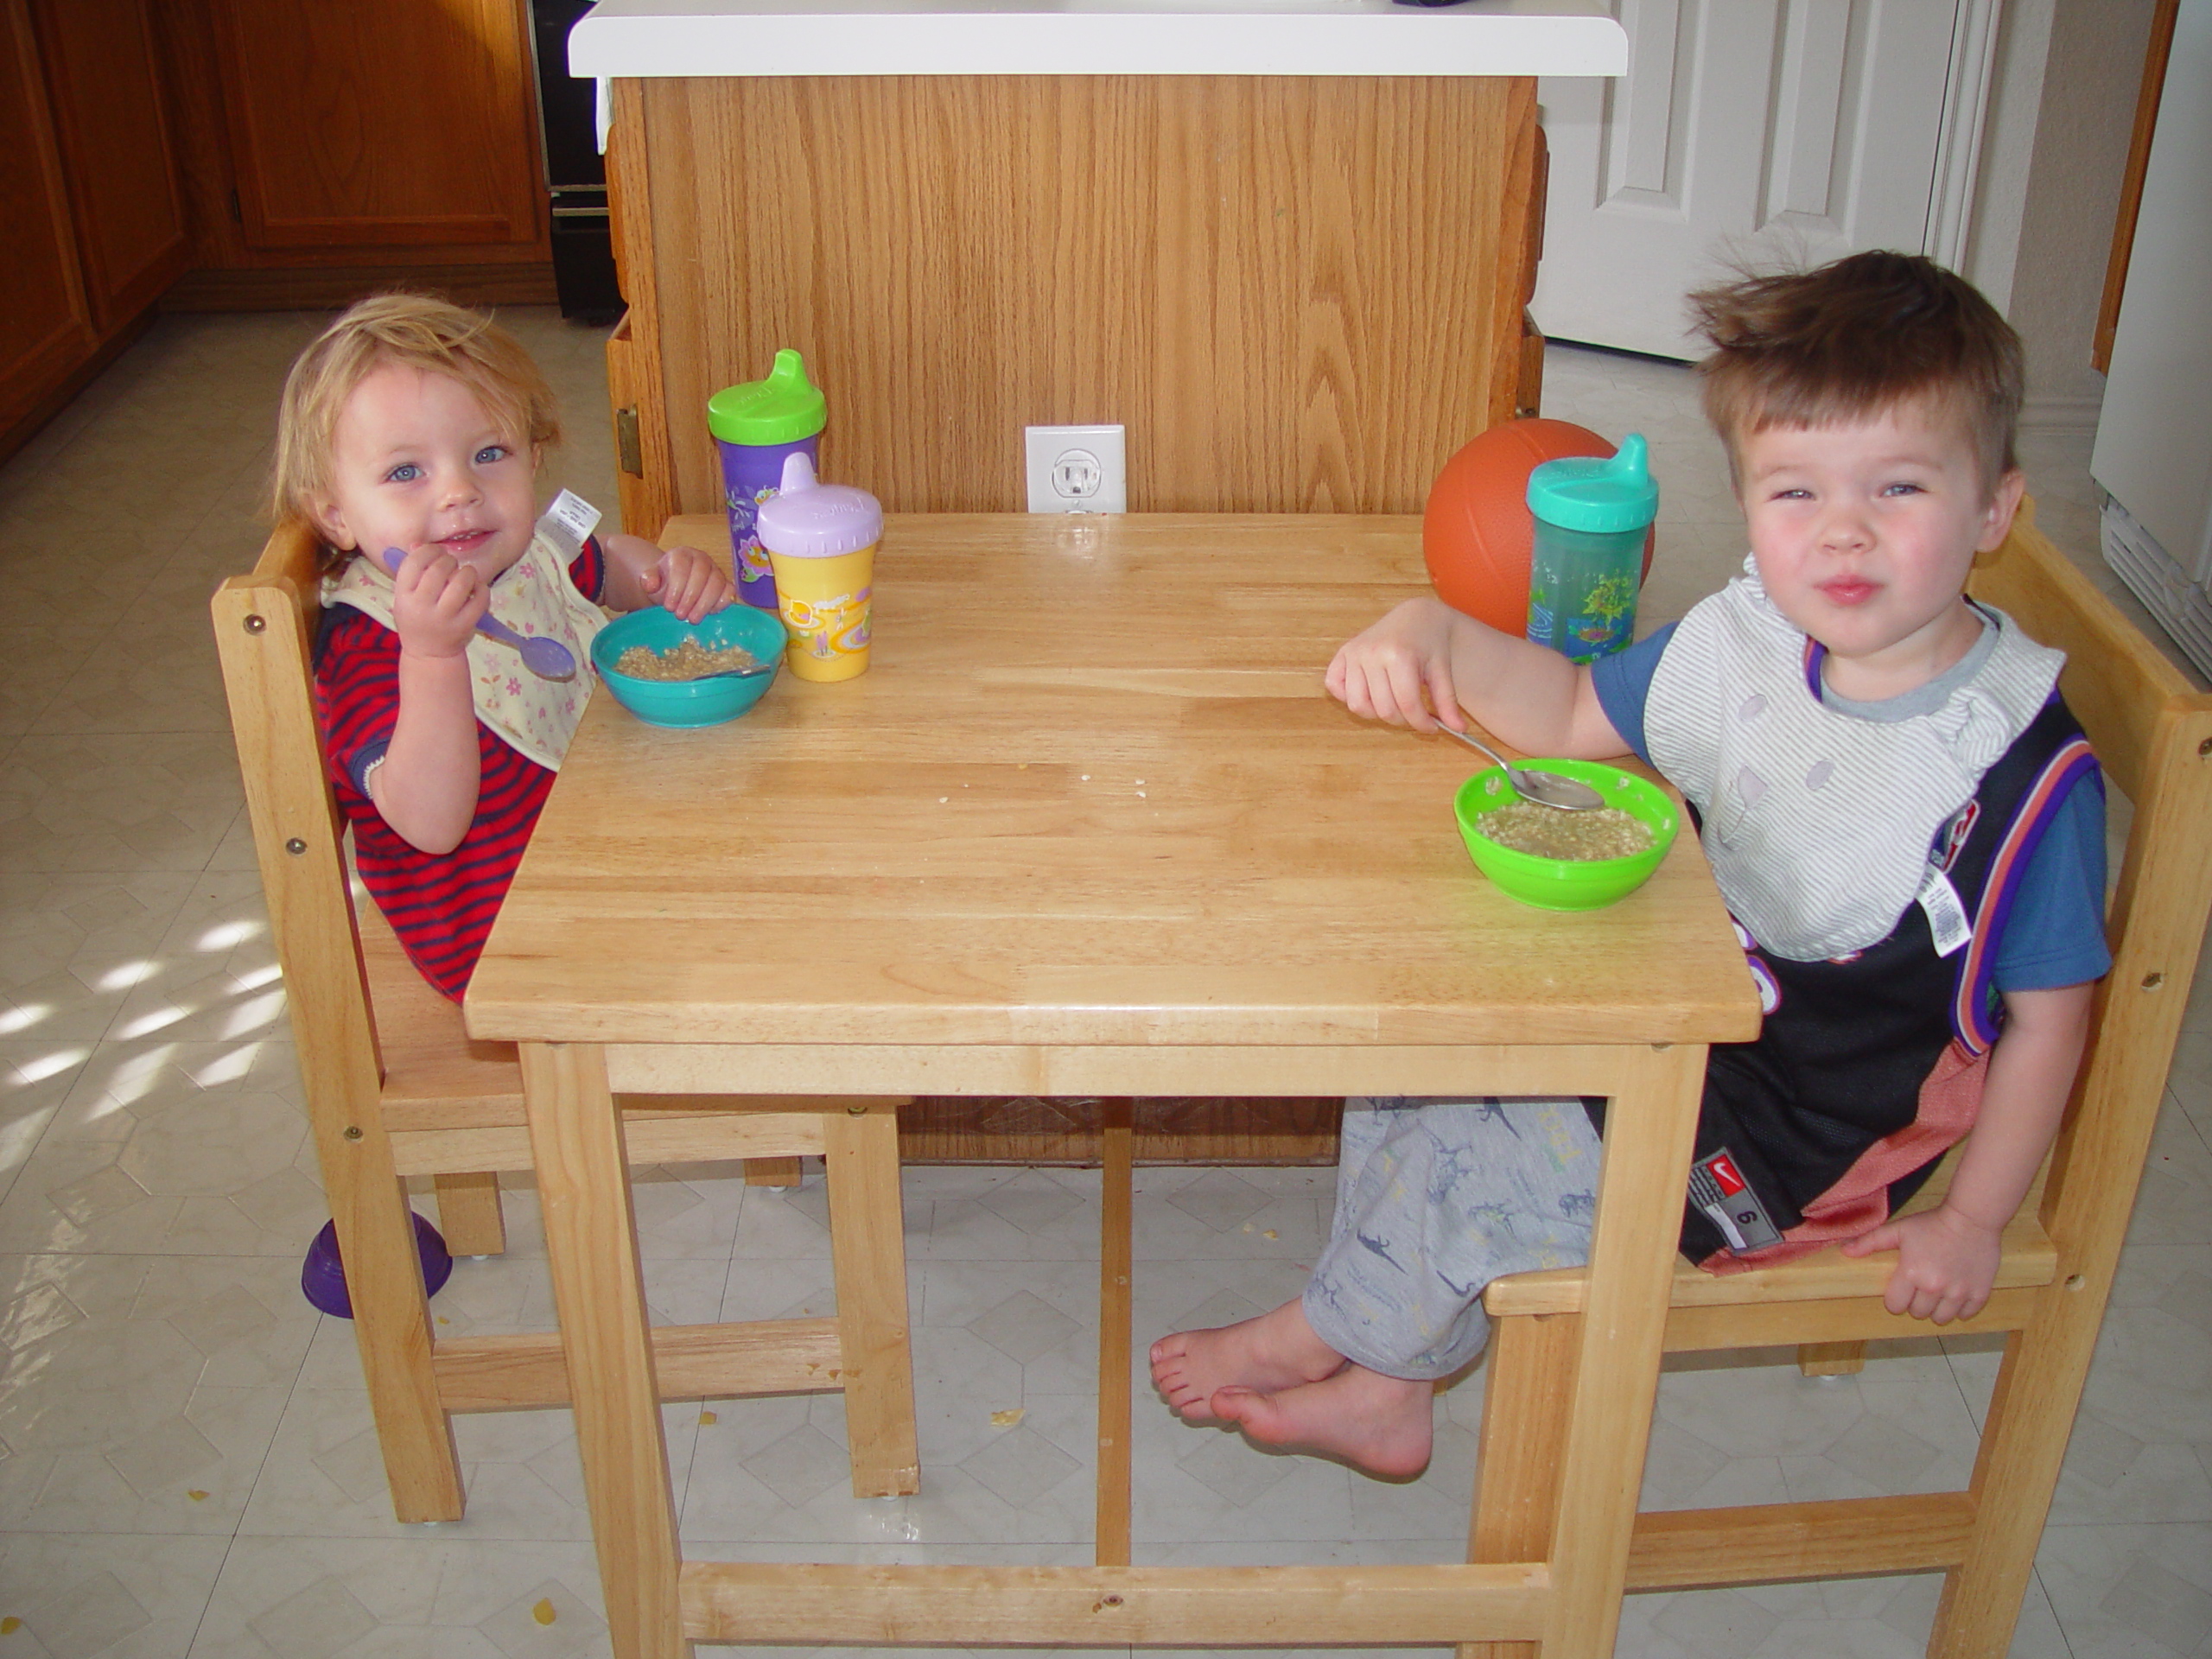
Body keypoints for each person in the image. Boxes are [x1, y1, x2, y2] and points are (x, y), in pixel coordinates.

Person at [1151, 251, 2110, 1479]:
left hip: (1797, 1146)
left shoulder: (2020, 776)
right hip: (1692, 1020)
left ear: (1995, 510)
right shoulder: (1755, 643)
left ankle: (1328, 1343)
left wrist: (1975, 1220)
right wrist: (1434, 631)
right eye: (1795, 493)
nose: (1844, 533)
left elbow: (2050, 1028)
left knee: (1481, 1153)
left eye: (1901, 487)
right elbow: (1561, 716)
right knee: (1412, 1059)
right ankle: (1392, 1379)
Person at [270, 294, 735, 999]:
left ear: (534, 458)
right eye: (405, 472)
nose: (460, 490)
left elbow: (606, 564)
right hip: (509, 936)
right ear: (333, 513)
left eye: (489, 454)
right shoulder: (365, 643)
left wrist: (665, 575)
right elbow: (429, 822)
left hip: (594, 855)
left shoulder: (523, 558)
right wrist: (434, 656)